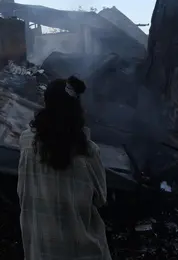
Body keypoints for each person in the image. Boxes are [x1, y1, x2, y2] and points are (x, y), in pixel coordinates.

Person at [17, 76, 112, 260]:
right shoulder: (89, 152)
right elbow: (101, 198)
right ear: (76, 110)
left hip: (39, 246)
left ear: (46, 104)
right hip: (79, 249)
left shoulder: (27, 142)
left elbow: (22, 191)